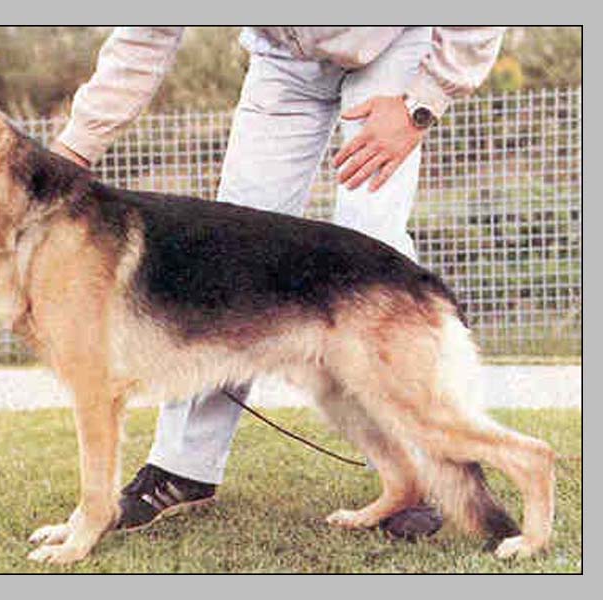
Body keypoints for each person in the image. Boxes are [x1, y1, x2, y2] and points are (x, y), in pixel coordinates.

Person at [51, 26, 505, 531]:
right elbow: (145, 35)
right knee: (224, 260)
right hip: (284, 56)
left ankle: (424, 466)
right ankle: (184, 468)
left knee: (373, 238)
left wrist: (422, 102)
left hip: (394, 42)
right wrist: (72, 152)